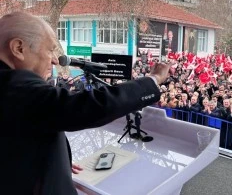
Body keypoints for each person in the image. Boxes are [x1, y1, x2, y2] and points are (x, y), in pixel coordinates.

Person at [0, 12, 171, 195]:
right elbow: (83, 106)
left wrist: (53, 160)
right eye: (50, 49)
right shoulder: (13, 84)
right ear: (18, 48)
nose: (54, 60)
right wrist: (152, 80)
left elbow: (14, 140)